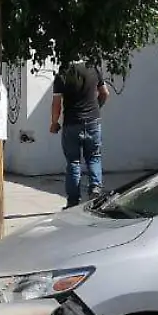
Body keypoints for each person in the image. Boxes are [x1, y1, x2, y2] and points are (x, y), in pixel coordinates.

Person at [50, 60, 109, 208]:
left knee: (73, 163)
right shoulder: (93, 69)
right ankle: (95, 187)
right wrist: (96, 108)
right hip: (92, 122)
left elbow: (56, 103)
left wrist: (54, 122)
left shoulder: (62, 75)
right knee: (94, 157)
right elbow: (104, 93)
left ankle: (73, 202)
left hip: (72, 123)